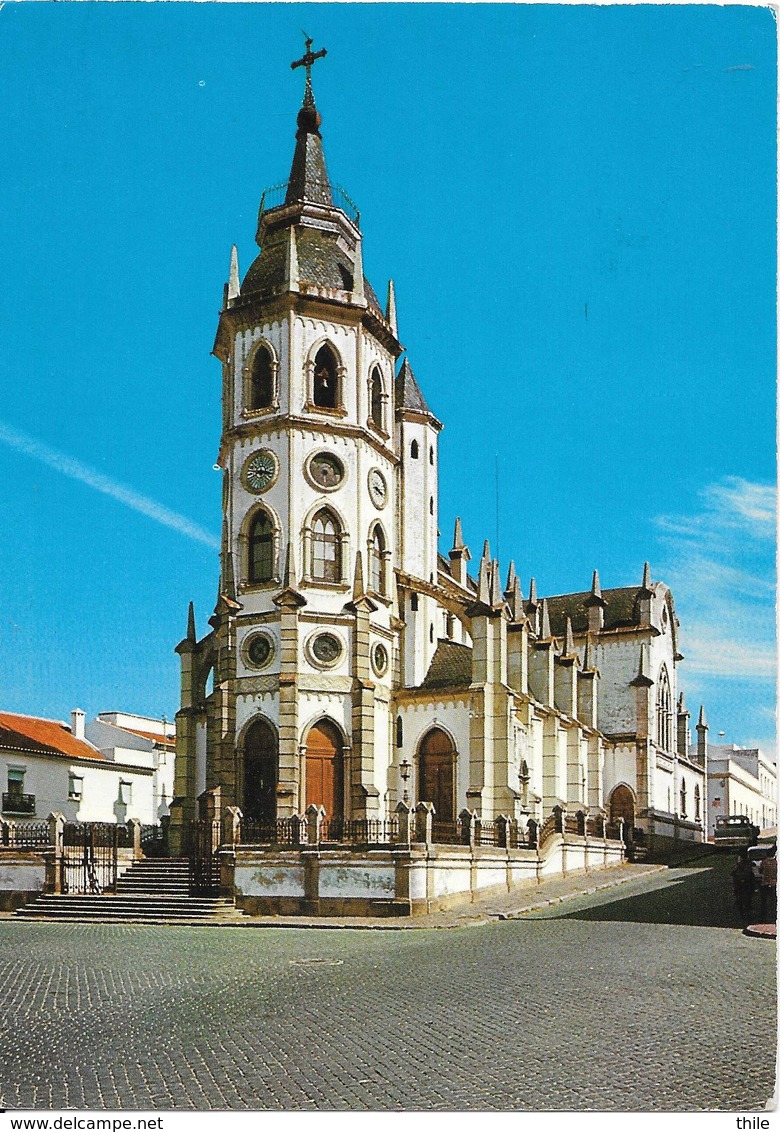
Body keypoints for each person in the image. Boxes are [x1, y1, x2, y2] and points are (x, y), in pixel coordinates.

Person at [732, 850, 755, 922]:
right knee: (748, 897)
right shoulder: (748, 863)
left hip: (740, 884)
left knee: (740, 897)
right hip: (747, 884)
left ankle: (742, 912)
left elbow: (734, 873)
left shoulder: (739, 864)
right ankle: (747, 910)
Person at [758, 845, 777, 922]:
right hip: (774, 884)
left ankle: (763, 916)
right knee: (774, 901)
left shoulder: (764, 862)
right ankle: (774, 915)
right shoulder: (776, 862)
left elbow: (760, 871)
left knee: (764, 901)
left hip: (765, 883)